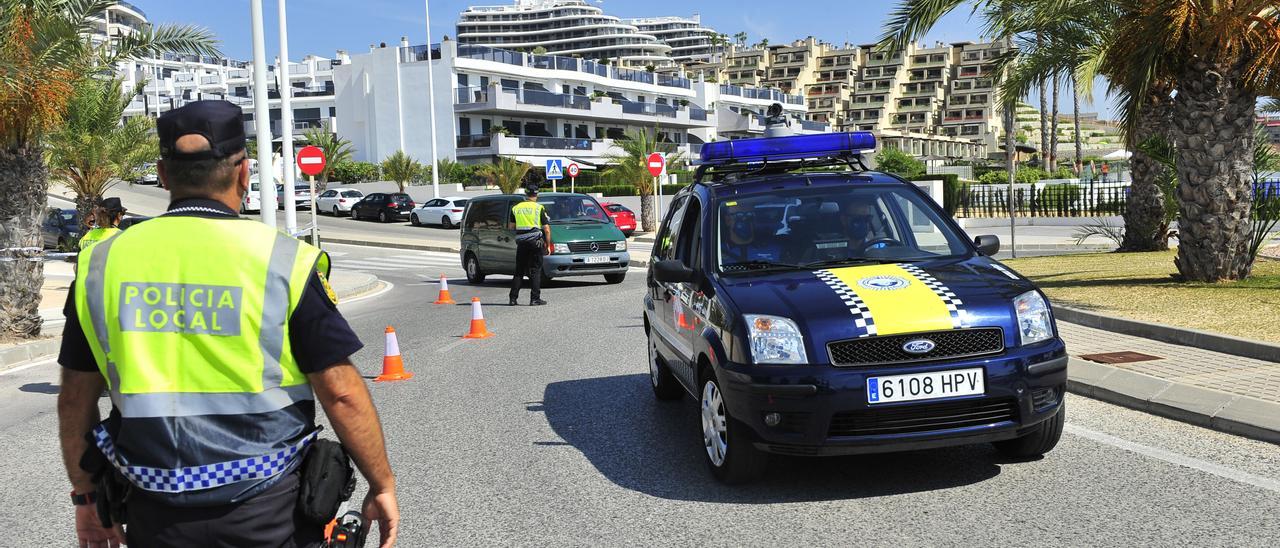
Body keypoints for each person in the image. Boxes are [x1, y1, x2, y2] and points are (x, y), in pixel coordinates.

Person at [56, 100, 399, 548]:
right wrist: (382, 485)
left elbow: (73, 400)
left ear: (162, 175)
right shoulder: (282, 260)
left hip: (152, 510)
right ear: (244, 172)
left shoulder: (102, 264)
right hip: (267, 511)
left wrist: (86, 500)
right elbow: (340, 392)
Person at [510, 185, 551, 306]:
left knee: (519, 270)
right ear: (537, 195)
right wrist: (547, 245)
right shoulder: (539, 208)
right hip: (535, 242)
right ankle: (534, 299)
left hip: (522, 242)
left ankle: (513, 299)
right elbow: (547, 229)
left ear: (526, 194)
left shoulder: (516, 208)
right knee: (535, 271)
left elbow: (511, 227)